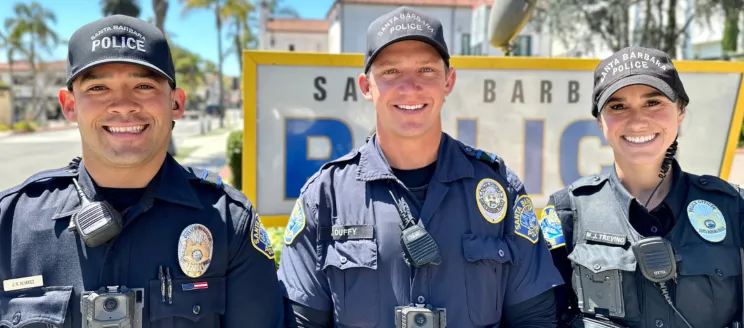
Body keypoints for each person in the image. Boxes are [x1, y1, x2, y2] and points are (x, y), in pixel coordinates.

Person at [277, 6, 563, 328]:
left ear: (448, 81)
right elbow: (301, 322)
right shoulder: (325, 197)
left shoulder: (501, 190)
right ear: (367, 86)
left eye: (426, 70)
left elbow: (534, 319)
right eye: (390, 72)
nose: (410, 87)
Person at [0, 15, 283, 327]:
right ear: (69, 105)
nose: (123, 104)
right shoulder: (12, 224)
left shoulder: (229, 223)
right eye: (98, 87)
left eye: (144, 85)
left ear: (176, 103)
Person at [543, 45, 744, 328]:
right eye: (618, 106)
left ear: (681, 111)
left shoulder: (734, 208)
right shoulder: (567, 213)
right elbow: (543, 317)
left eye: (653, 102)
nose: (637, 120)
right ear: (600, 121)